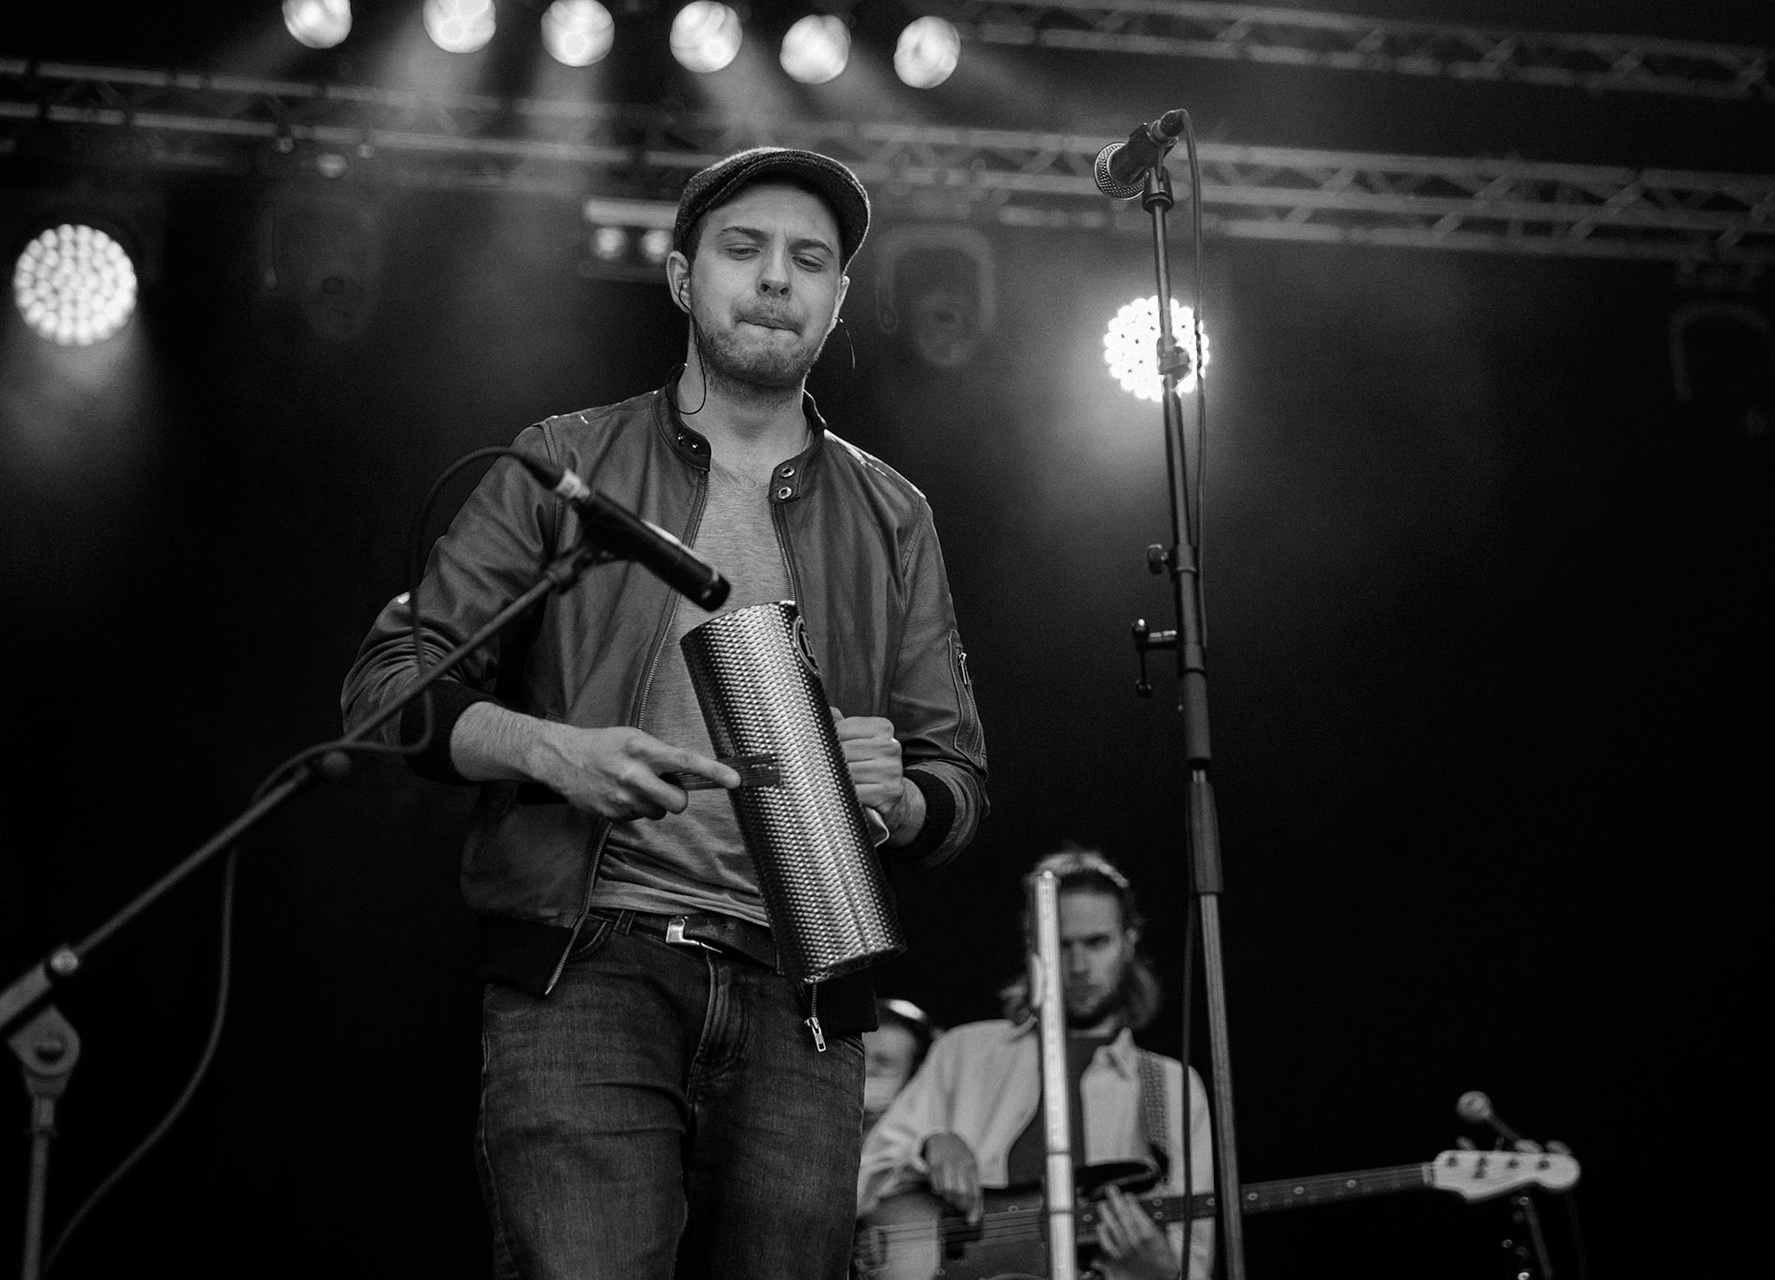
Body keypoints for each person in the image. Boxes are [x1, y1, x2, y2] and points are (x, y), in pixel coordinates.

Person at [341, 146, 988, 1280]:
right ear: (684, 278)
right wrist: (557, 751)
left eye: (809, 260)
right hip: (590, 961)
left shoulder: (896, 513)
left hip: (807, 994)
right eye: (744, 250)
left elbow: (960, 782)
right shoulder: (563, 462)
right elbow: (391, 682)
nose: (776, 278)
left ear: (838, 300)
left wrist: (901, 796)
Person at [858, 849, 1213, 1280]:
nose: (1080, 966)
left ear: (1130, 941)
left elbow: (1194, 1253)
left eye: (1097, 942)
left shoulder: (1171, 1086)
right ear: (1033, 948)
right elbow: (861, 1183)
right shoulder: (964, 1051)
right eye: (1061, 945)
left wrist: (1159, 1271)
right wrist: (930, 1145)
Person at [864, 997, 940, 1137]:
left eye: (883, 1062)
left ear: (914, 1073)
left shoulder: (924, 1144)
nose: (864, 1068)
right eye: (858, 1055)